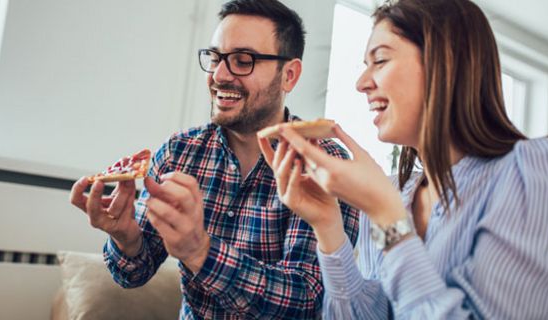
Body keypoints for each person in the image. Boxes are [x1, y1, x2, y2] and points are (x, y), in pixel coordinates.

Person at [258, 0, 548, 318]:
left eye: (380, 60)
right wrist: (328, 226)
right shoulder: (397, 194)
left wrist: (387, 216)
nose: (361, 83)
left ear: (444, 62)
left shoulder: (531, 169)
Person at [70, 0, 359, 318]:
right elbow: (132, 274)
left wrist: (200, 252)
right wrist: (124, 238)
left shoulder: (326, 164)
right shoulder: (179, 152)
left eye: (242, 60)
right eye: (215, 57)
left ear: (288, 75)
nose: (219, 75)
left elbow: (306, 299)